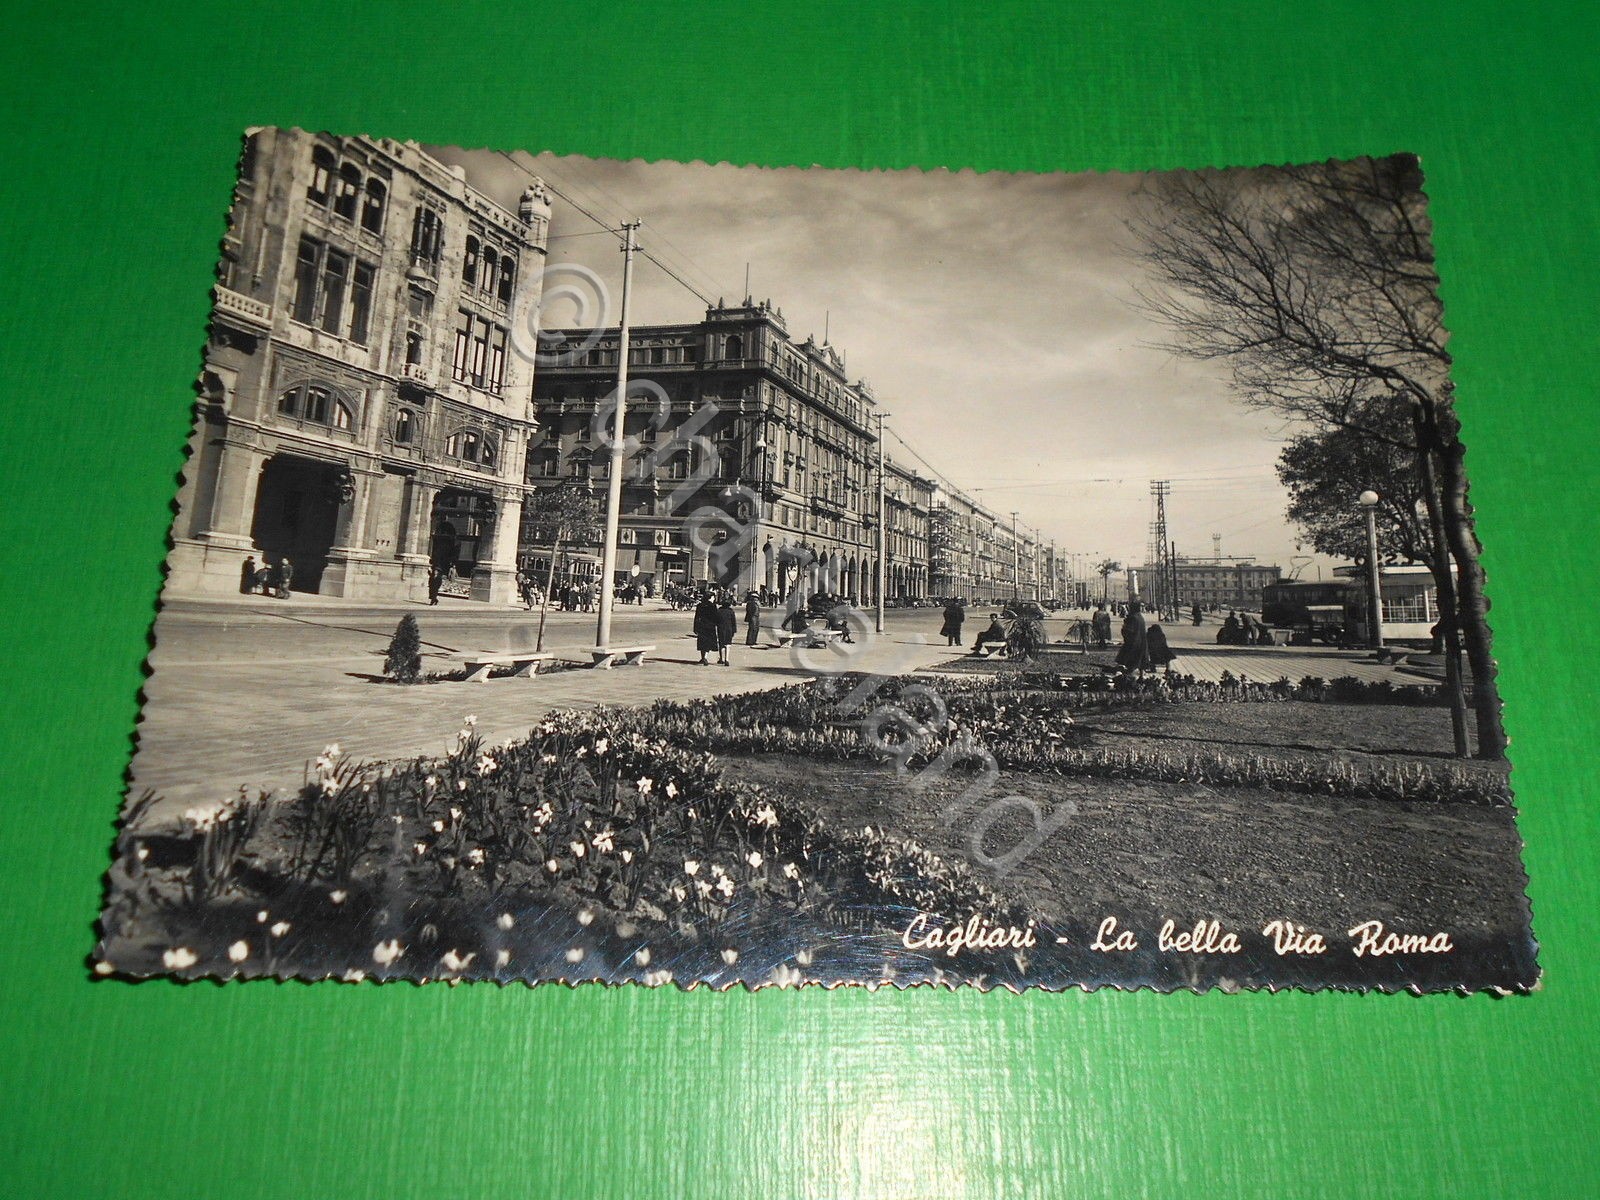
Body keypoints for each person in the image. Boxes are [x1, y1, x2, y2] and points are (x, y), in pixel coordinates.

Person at [1115, 600, 1150, 673]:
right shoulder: (1140, 617)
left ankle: (1128, 674)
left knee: (1128, 660)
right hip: (1141, 642)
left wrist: (1124, 628)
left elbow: (1128, 630)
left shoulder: (1132, 618)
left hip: (1133, 642)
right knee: (1139, 660)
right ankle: (1140, 674)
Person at [693, 592, 720, 666]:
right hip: (710, 626)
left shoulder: (700, 605)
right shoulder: (713, 606)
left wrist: (695, 627)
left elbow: (696, 617)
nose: (714, 599)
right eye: (713, 597)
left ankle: (702, 657)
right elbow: (715, 616)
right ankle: (705, 657)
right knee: (708, 642)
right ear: (710, 597)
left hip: (701, 625)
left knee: (702, 642)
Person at [716, 593, 737, 665]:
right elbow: (734, 622)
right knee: (728, 644)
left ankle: (721, 659)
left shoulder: (719, 610)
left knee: (721, 643)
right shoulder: (731, 611)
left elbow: (716, 620)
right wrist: (734, 630)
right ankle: (727, 659)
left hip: (721, 629)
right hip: (729, 629)